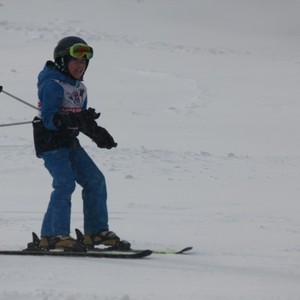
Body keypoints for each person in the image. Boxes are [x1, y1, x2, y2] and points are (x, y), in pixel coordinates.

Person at [32, 36, 127, 250]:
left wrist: (96, 132)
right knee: (65, 182)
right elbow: (50, 120)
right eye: (76, 60)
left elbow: (80, 117)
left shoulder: (80, 88)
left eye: (85, 62)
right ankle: (52, 235)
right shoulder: (52, 85)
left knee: (95, 180)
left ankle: (95, 232)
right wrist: (71, 119)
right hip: (51, 143)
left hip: (69, 142)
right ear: (63, 61)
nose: (81, 65)